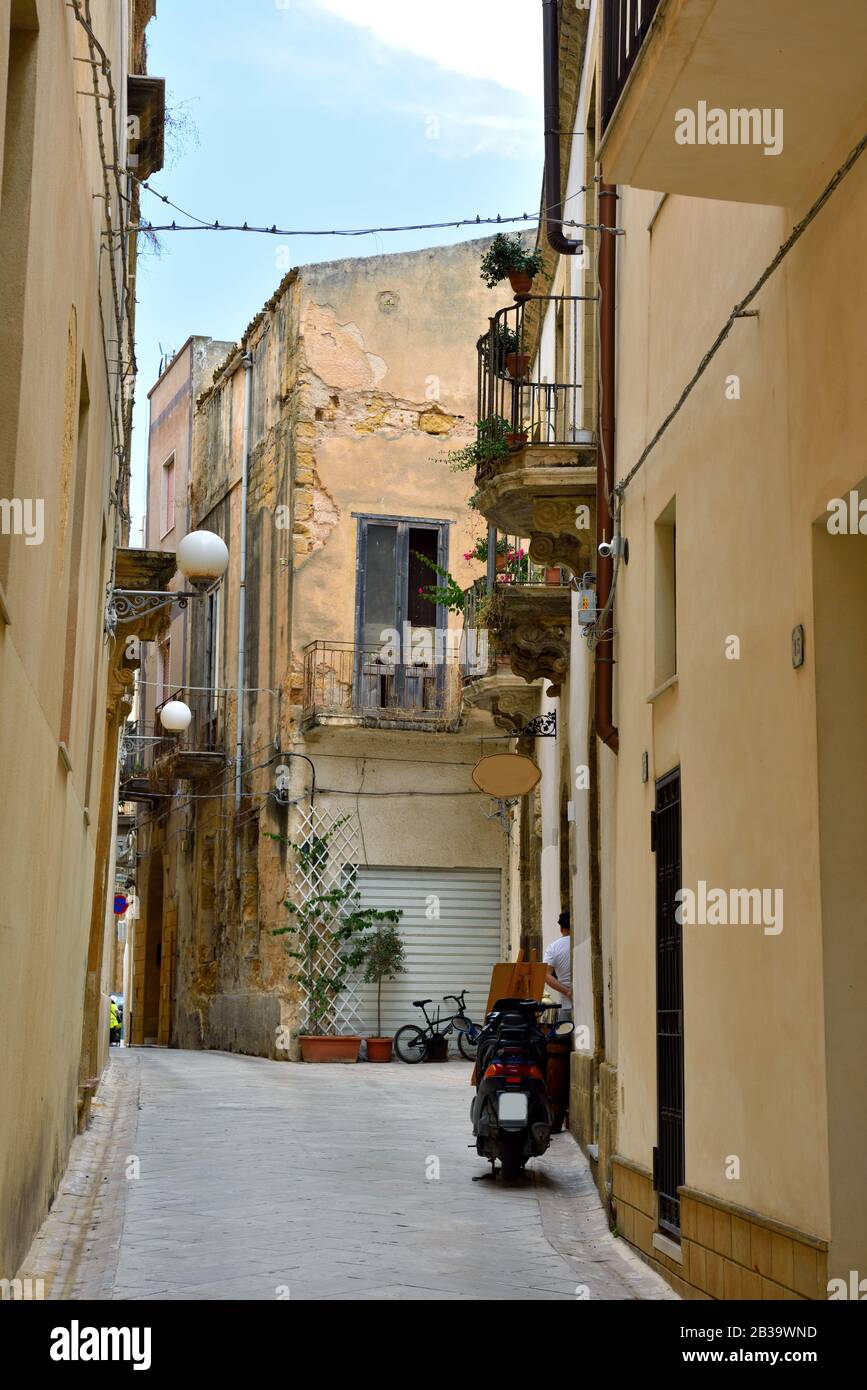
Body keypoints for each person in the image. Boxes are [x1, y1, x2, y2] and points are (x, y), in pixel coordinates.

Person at [544, 909, 572, 1019]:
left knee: (564, 1033)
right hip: (586, 999)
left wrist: (567, 991)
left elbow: (546, 975)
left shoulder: (553, 947)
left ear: (561, 928)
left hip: (566, 1003)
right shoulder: (582, 942)